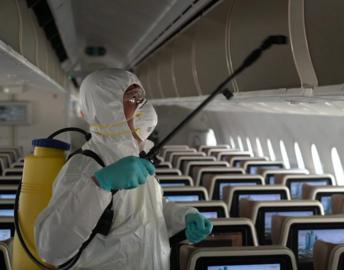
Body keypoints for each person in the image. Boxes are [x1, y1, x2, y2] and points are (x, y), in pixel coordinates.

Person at [35, 69, 212, 269]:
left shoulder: (134, 158)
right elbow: (52, 247)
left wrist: (183, 217)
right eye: (132, 99)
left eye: (142, 98)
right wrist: (99, 185)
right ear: (106, 108)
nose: (143, 106)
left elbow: (147, 212)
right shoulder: (84, 166)